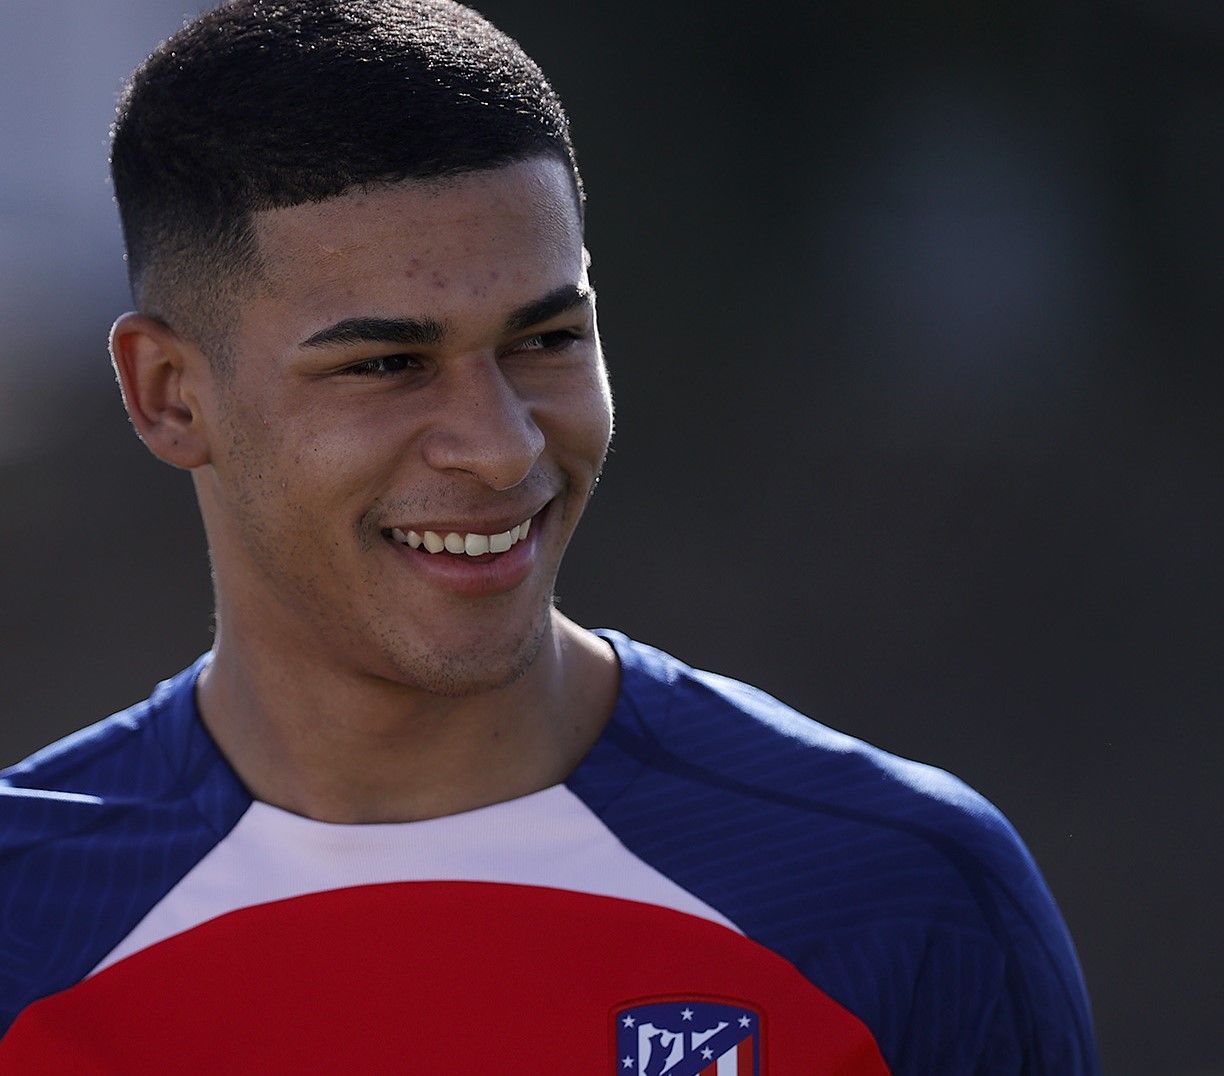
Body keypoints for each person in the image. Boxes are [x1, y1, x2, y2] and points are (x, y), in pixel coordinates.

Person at [0, 1, 1099, 1072]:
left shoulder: (902, 893)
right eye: (385, 363)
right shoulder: (24, 920)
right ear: (168, 393)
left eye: (545, 338)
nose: (500, 443)